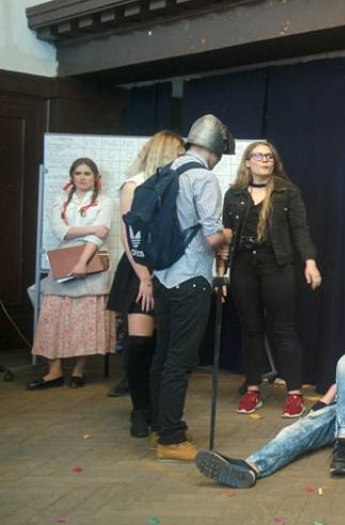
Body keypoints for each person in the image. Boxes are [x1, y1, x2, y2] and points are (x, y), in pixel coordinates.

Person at [150, 114, 233, 464]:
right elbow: (212, 237)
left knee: (163, 353)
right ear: (215, 149)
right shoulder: (204, 178)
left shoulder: (166, 171)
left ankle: (161, 425)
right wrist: (227, 236)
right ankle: (170, 438)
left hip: (164, 276)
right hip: (192, 280)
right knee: (179, 361)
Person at [194, 352, 345, 486]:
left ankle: (344, 443)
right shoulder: (335, 392)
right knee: (294, 432)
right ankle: (251, 468)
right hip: (335, 419)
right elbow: (313, 416)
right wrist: (333, 392)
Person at [222, 141, 321, 418]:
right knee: (251, 329)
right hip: (243, 267)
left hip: (277, 265)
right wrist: (221, 273)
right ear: (248, 162)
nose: (265, 160)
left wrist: (310, 263)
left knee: (283, 328)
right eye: (259, 156)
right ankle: (253, 390)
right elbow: (226, 238)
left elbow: (300, 230)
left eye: (269, 156)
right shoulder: (234, 195)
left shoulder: (287, 192)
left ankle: (294, 394)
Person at [106, 131, 185, 436]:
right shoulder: (134, 184)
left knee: (160, 345)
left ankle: (158, 408)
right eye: (178, 153)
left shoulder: (174, 185)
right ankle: (140, 410)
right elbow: (129, 235)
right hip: (140, 271)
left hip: (168, 269)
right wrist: (144, 277)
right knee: (139, 343)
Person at [29, 158, 117, 390]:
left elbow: (100, 235)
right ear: (72, 176)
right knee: (53, 318)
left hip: (90, 263)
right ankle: (54, 371)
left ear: (95, 177)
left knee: (85, 319)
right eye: (77, 173)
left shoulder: (105, 201)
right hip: (63, 263)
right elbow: (61, 231)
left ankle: (79, 371)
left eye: (87, 173)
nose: (82, 177)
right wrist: (92, 227)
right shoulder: (60, 200)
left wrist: (81, 261)